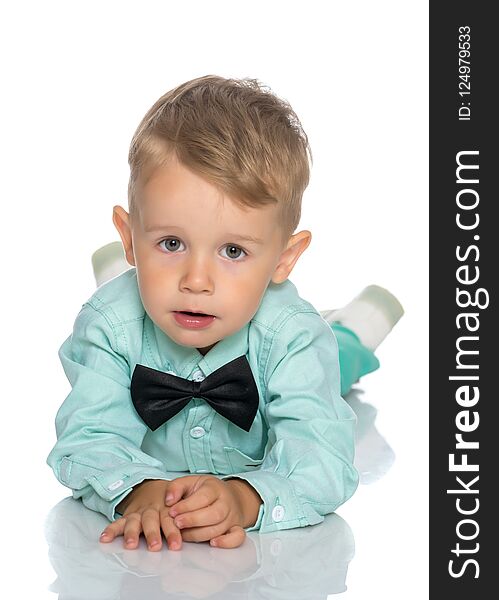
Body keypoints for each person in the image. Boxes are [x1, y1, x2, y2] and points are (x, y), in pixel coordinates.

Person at [47, 75, 403, 553]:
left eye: (233, 250)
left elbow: (324, 460)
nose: (198, 279)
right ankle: (121, 267)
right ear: (130, 235)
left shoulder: (293, 334)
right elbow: (86, 438)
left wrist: (246, 498)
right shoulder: (109, 327)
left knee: (340, 352)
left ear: (284, 258)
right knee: (125, 301)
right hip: (138, 301)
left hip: (299, 337)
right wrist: (136, 489)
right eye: (171, 243)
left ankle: (365, 315)